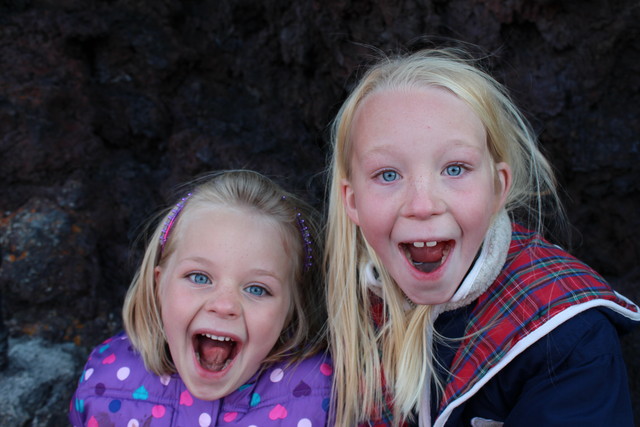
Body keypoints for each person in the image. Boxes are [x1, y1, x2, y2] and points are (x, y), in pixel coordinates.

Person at [324, 47, 640, 427]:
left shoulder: (566, 335)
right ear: (352, 202)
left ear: (497, 187)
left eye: (455, 169)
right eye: (388, 175)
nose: (422, 205)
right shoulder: (324, 312)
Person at [69, 170, 331, 426]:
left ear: (291, 311)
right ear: (159, 284)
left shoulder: (321, 397)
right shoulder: (105, 381)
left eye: (257, 289)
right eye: (200, 277)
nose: (224, 305)